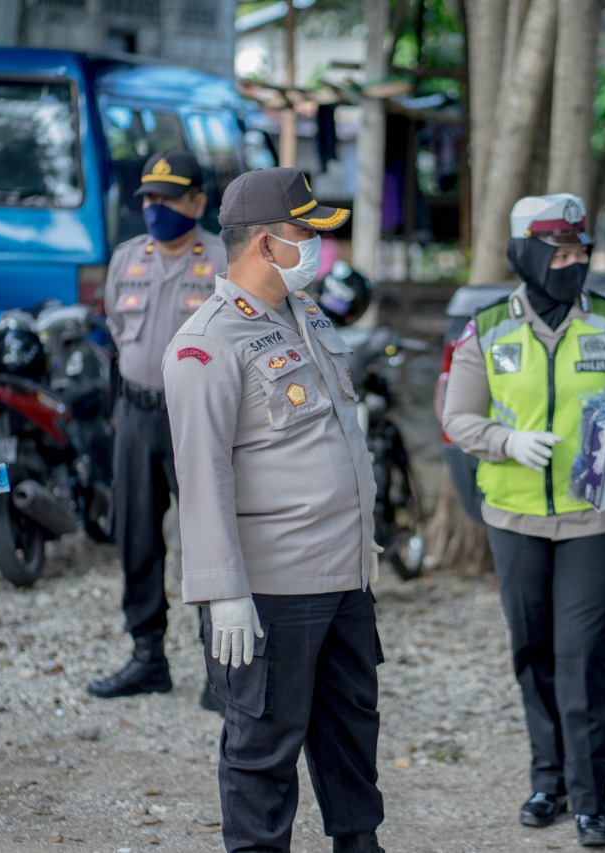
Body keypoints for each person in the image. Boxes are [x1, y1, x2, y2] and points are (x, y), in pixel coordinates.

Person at [162, 167, 386, 853]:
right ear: (264, 244)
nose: (319, 246)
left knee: (351, 734)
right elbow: (202, 478)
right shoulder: (208, 343)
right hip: (271, 590)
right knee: (263, 750)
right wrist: (222, 590)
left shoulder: (306, 315)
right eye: (305, 233)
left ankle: (359, 844)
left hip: (343, 578)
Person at [441, 194, 605, 847]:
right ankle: (548, 778)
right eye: (560, 253)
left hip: (596, 516)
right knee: (532, 649)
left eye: (580, 251)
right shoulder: (487, 330)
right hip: (514, 514)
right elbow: (457, 419)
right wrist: (506, 441)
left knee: (583, 654)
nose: (574, 263)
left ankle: (591, 797)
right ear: (529, 255)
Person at [87, 150, 227, 707]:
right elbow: (117, 329)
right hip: (137, 414)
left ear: (197, 201)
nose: (155, 207)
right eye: (148, 197)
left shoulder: (222, 259)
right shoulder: (127, 258)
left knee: (208, 536)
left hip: (197, 419)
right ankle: (148, 656)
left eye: (169, 196)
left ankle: (222, 664)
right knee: (137, 534)